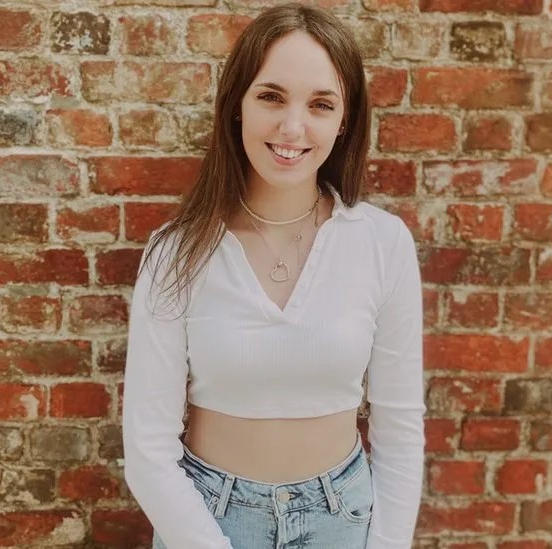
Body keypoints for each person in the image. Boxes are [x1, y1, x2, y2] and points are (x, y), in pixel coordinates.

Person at [121, 4, 426, 548]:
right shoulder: (176, 252)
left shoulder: (382, 243)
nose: (292, 126)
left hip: (342, 519)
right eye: (271, 96)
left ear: (345, 119)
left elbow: (400, 431)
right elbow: (147, 448)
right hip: (208, 519)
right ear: (236, 105)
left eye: (320, 104)